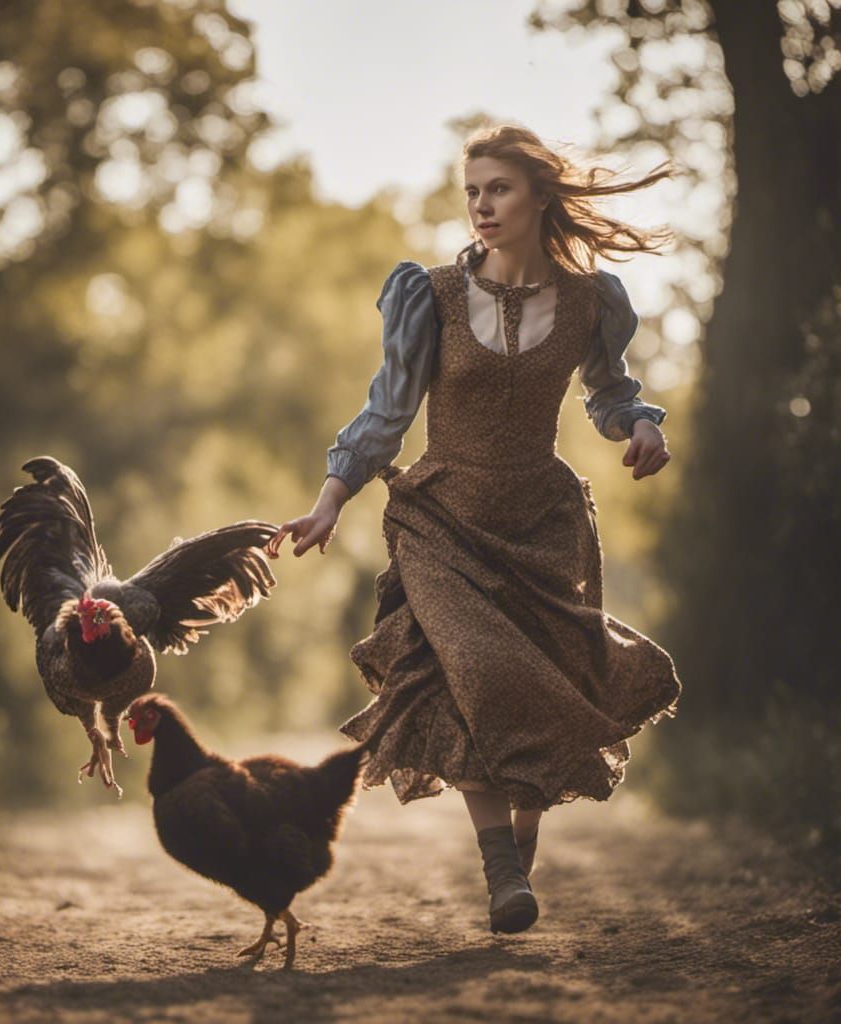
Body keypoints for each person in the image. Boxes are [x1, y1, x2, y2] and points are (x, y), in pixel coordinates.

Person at [265, 123, 683, 935]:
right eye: (473, 192)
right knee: (476, 678)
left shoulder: (592, 301)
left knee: (544, 687)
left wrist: (642, 427)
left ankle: (521, 836)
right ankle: (501, 875)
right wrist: (330, 500)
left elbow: (608, 394)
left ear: (538, 197)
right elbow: (387, 413)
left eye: (498, 189)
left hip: (541, 521)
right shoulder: (431, 296)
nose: (481, 206)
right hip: (443, 517)